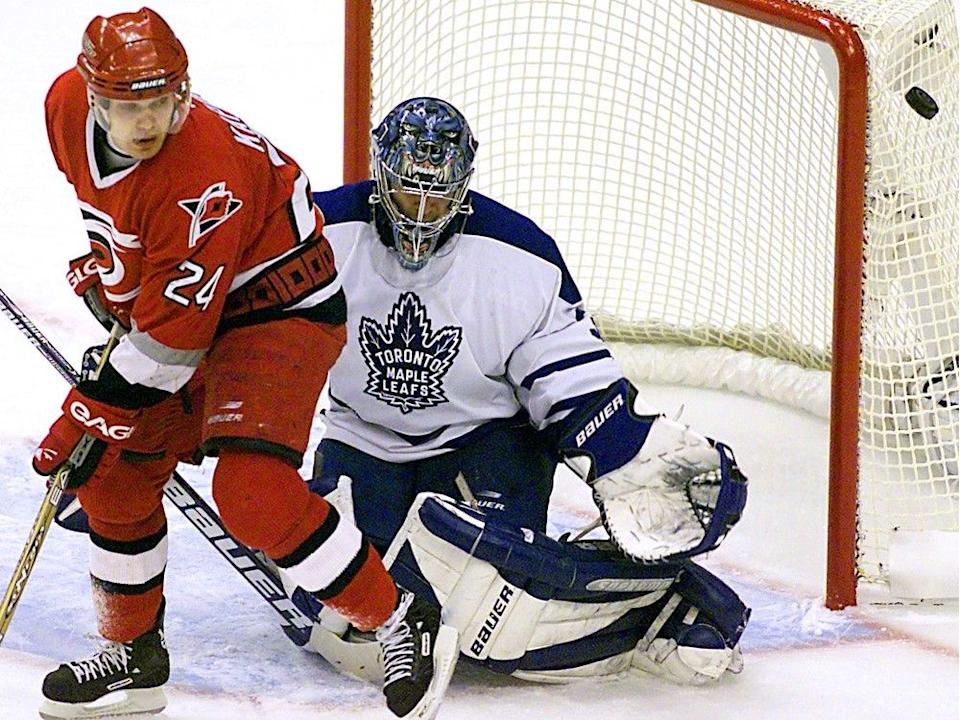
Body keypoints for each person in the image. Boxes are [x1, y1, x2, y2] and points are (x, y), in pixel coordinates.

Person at [36, 10, 456, 720]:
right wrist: (117, 286)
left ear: (183, 91)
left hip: (280, 309)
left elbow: (171, 347)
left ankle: (397, 616)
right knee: (113, 476)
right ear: (93, 95)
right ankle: (135, 657)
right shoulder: (62, 107)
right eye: (128, 107)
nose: (145, 123)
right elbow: (124, 226)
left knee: (253, 492)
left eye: (160, 104)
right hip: (200, 301)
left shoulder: (203, 175)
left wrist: (85, 413)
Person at [292, 96, 751, 685]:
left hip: (485, 446)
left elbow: (570, 382)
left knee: (487, 604)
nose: (423, 210)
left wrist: (627, 452)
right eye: (410, 188)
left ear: (464, 186)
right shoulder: (320, 234)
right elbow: (253, 327)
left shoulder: (518, 256)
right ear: (380, 173)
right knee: (334, 601)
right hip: (364, 439)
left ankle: (662, 601)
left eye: (440, 192)